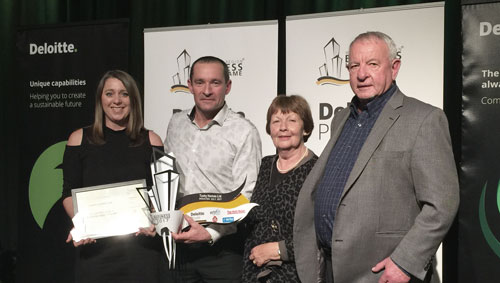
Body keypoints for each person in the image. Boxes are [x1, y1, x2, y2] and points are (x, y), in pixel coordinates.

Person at [293, 31, 459, 283]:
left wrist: (405, 262)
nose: (361, 74)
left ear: (394, 67)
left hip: (383, 274)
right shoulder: (342, 119)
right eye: (354, 65)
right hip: (330, 269)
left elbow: (442, 205)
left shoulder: (424, 119)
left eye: (372, 64)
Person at [164, 56, 262, 282]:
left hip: (223, 251)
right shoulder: (176, 124)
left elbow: (246, 193)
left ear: (227, 87)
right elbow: (166, 179)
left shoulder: (243, 131)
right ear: (189, 85)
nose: (207, 90)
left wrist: (211, 233)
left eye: (215, 83)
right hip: (179, 248)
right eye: (200, 82)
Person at [62, 70, 166, 282]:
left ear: (133, 99)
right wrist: (82, 223)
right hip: (95, 253)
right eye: (110, 93)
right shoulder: (78, 139)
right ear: (100, 99)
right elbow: (68, 192)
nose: (117, 100)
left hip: (142, 253)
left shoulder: (152, 141)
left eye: (124, 94)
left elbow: (161, 195)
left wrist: (154, 220)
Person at [242, 95, 317, 282]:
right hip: (254, 273)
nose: (283, 127)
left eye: (291, 120)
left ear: (305, 128)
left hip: (296, 275)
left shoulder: (319, 170)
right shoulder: (263, 166)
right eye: (276, 121)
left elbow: (322, 234)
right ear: (269, 129)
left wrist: (278, 250)